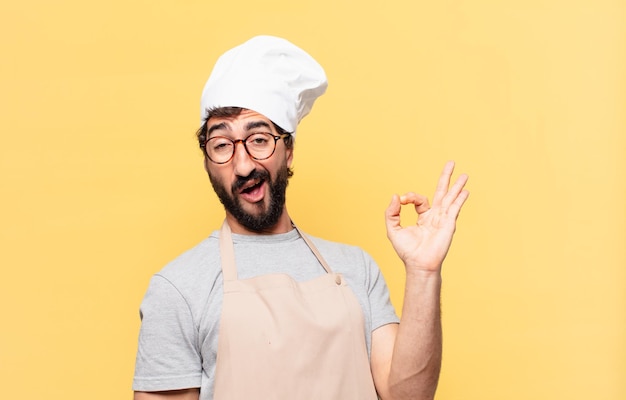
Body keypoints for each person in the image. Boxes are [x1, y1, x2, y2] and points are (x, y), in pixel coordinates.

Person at [133, 35, 469, 400]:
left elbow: (409, 396)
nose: (243, 164)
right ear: (207, 162)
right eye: (222, 145)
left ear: (288, 150)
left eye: (259, 139)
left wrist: (424, 273)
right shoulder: (178, 288)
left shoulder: (356, 268)